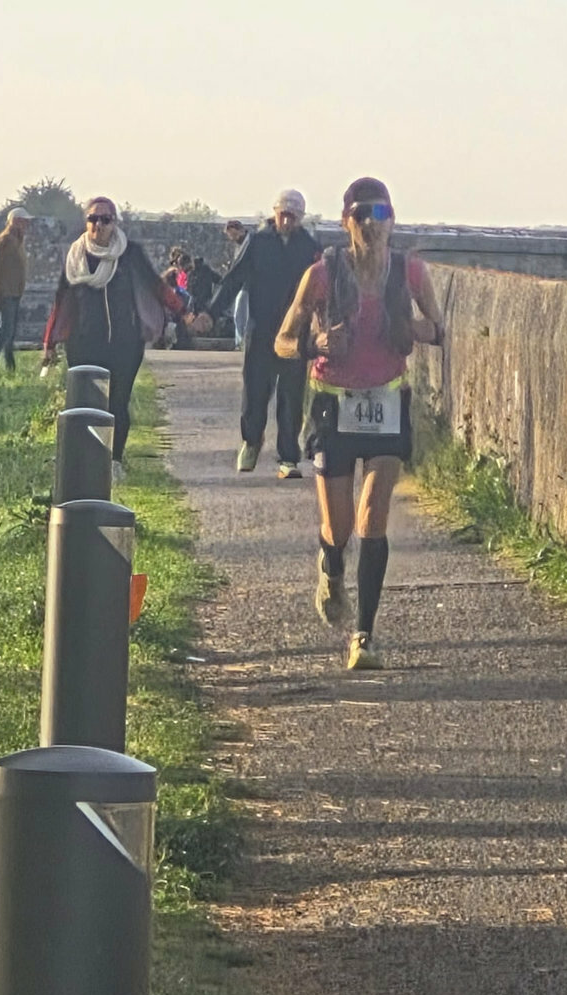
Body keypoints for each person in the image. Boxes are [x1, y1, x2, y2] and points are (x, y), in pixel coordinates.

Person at [274, 177, 444, 669]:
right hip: (334, 403)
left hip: (387, 400)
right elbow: (282, 341)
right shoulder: (322, 275)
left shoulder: (410, 273)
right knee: (340, 525)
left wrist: (414, 329)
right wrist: (315, 344)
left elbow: (439, 329)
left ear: (393, 220)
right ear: (346, 221)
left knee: (373, 516)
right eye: (362, 214)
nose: (372, 222)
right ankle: (330, 565)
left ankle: (364, 636)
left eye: (381, 213)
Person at [41, 196, 189, 480]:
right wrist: (50, 342)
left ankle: (114, 459)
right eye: (93, 219)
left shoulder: (129, 253)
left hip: (124, 343)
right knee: (85, 405)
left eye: (105, 219)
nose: (99, 225)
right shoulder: (75, 256)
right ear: (86, 222)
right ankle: (86, 460)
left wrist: (184, 313)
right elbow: (62, 299)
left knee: (118, 403)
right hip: (83, 342)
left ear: (115, 222)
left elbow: (156, 286)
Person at [194, 192, 320, 479]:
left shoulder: (309, 247)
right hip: (260, 327)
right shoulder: (258, 242)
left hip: (294, 333)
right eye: (283, 215)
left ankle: (288, 457)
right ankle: (251, 441)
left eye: (293, 216)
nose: (286, 221)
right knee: (255, 390)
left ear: (300, 218)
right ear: (275, 213)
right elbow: (233, 279)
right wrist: (211, 313)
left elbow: (320, 288)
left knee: (291, 395)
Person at [0, 207, 33, 377]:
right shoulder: (5, 240)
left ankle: (10, 366)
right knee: (5, 330)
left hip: (15, 292)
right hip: (6, 292)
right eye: (24, 221)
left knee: (10, 332)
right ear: (15, 221)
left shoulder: (17, 240)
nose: (27, 225)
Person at [224, 220, 249, 348]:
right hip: (242, 285)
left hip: (248, 285)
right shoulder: (239, 245)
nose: (232, 238)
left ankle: (241, 342)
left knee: (241, 314)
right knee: (239, 315)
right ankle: (240, 341)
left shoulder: (250, 243)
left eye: (233, 235)